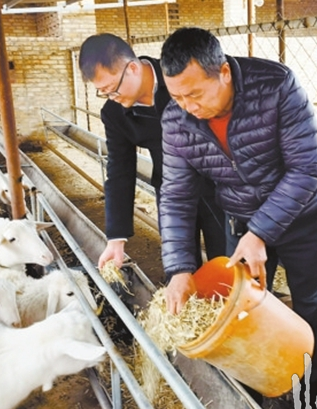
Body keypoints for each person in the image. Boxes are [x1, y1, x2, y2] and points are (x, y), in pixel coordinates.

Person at [158, 27, 317, 409]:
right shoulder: (176, 120)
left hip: (305, 215)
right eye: (177, 97)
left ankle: (315, 405)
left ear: (223, 72)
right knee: (239, 312)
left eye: (194, 94)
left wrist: (260, 233)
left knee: (314, 311)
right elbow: (177, 196)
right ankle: (255, 399)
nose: (187, 107)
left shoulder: (276, 86)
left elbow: (307, 168)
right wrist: (179, 268)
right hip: (242, 221)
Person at [78, 33, 226, 270]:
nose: (112, 98)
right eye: (104, 92)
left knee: (227, 260)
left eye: (112, 89)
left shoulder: (179, 77)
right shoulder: (115, 113)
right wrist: (116, 236)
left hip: (219, 186)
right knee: (180, 266)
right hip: (172, 193)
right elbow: (120, 170)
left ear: (133, 68)